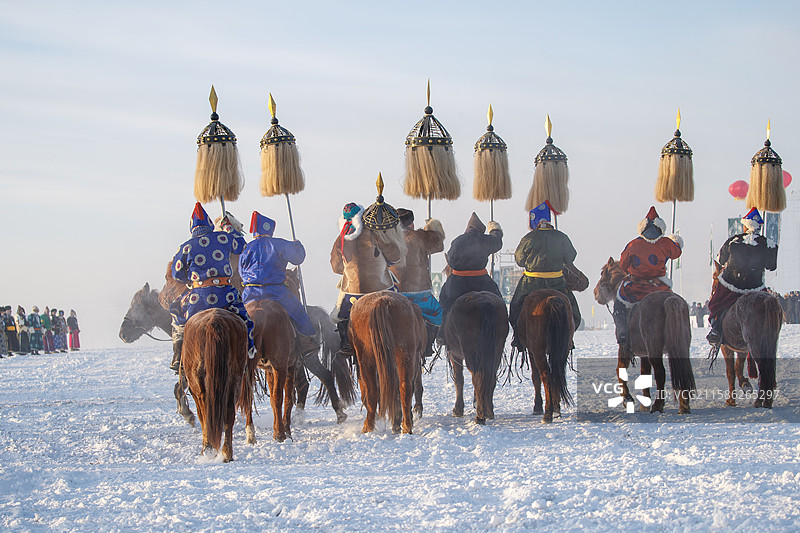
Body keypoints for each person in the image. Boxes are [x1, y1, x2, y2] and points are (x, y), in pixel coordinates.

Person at [169, 203, 256, 372]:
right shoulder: (223, 238)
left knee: (177, 314)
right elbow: (242, 246)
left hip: (198, 298)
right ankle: (248, 348)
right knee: (244, 317)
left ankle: (178, 355)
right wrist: (229, 229)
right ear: (209, 224)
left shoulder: (186, 246)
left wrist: (191, 279)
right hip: (225, 293)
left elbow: (176, 274)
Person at [330, 191, 407, 356]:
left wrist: (349, 267)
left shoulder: (340, 239)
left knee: (341, 315)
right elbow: (394, 256)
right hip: (381, 290)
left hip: (353, 294)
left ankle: (346, 343)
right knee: (403, 306)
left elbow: (336, 267)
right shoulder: (374, 233)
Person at [239, 211, 319, 359]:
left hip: (250, 293)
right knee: (298, 311)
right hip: (275, 291)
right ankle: (307, 341)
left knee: (237, 317)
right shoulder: (277, 243)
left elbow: (241, 271)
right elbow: (298, 258)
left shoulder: (246, 248)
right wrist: (297, 245)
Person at [509, 202, 581, 350]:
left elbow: (519, 260)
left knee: (515, 308)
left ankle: (518, 338)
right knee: (573, 310)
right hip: (557, 282)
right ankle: (569, 337)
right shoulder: (562, 237)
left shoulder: (528, 238)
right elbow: (570, 257)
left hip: (531, 283)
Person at [612, 206, 683, 345]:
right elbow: (677, 253)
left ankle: (622, 332)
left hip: (636, 289)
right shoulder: (666, 243)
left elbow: (623, 265)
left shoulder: (633, 244)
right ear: (660, 229)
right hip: (660, 287)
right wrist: (675, 241)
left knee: (619, 304)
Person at [706, 208, 778, 345]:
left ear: (746, 225)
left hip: (732, 284)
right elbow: (772, 266)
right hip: (755, 286)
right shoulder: (769, 244)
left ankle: (715, 329)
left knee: (716, 302)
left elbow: (720, 260)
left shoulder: (733, 240)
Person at [438, 212, 503, 345]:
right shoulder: (484, 239)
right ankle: (501, 329)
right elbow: (497, 243)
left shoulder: (458, 240)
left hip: (458, 282)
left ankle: (442, 334)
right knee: (499, 301)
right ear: (480, 230)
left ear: (468, 228)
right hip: (481, 281)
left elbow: (450, 260)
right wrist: (495, 230)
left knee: (445, 302)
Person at [389, 208, 445, 359]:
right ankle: (429, 345)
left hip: (395, 292)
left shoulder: (389, 238)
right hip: (420, 293)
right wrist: (431, 228)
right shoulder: (420, 236)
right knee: (438, 314)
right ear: (412, 223)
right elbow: (439, 245)